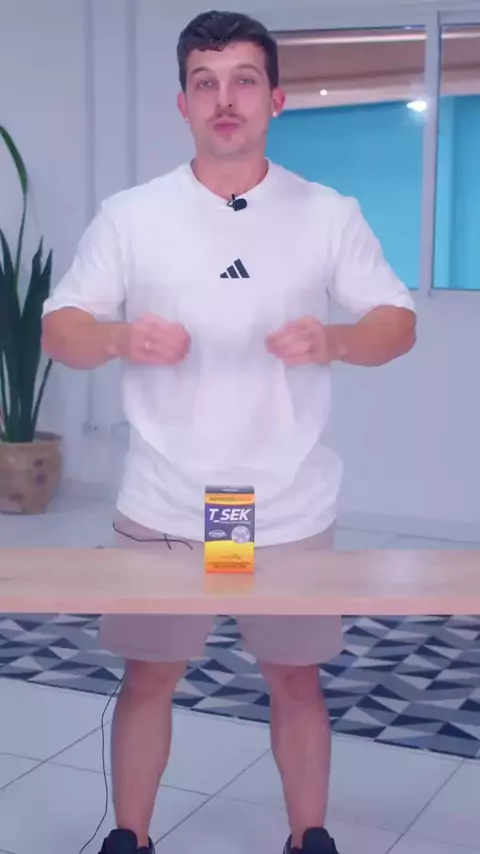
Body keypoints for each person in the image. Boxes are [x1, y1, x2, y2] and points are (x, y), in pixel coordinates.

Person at [42, 9, 416, 854]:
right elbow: (61, 326)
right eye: (204, 83)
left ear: (276, 98)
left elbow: (396, 321)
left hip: (286, 504)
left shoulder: (326, 213)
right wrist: (118, 337)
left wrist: (336, 340)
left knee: (295, 677)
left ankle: (309, 837)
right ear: (182, 103)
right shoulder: (133, 215)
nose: (224, 99)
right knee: (151, 674)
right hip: (167, 502)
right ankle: (130, 838)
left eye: (244, 80)